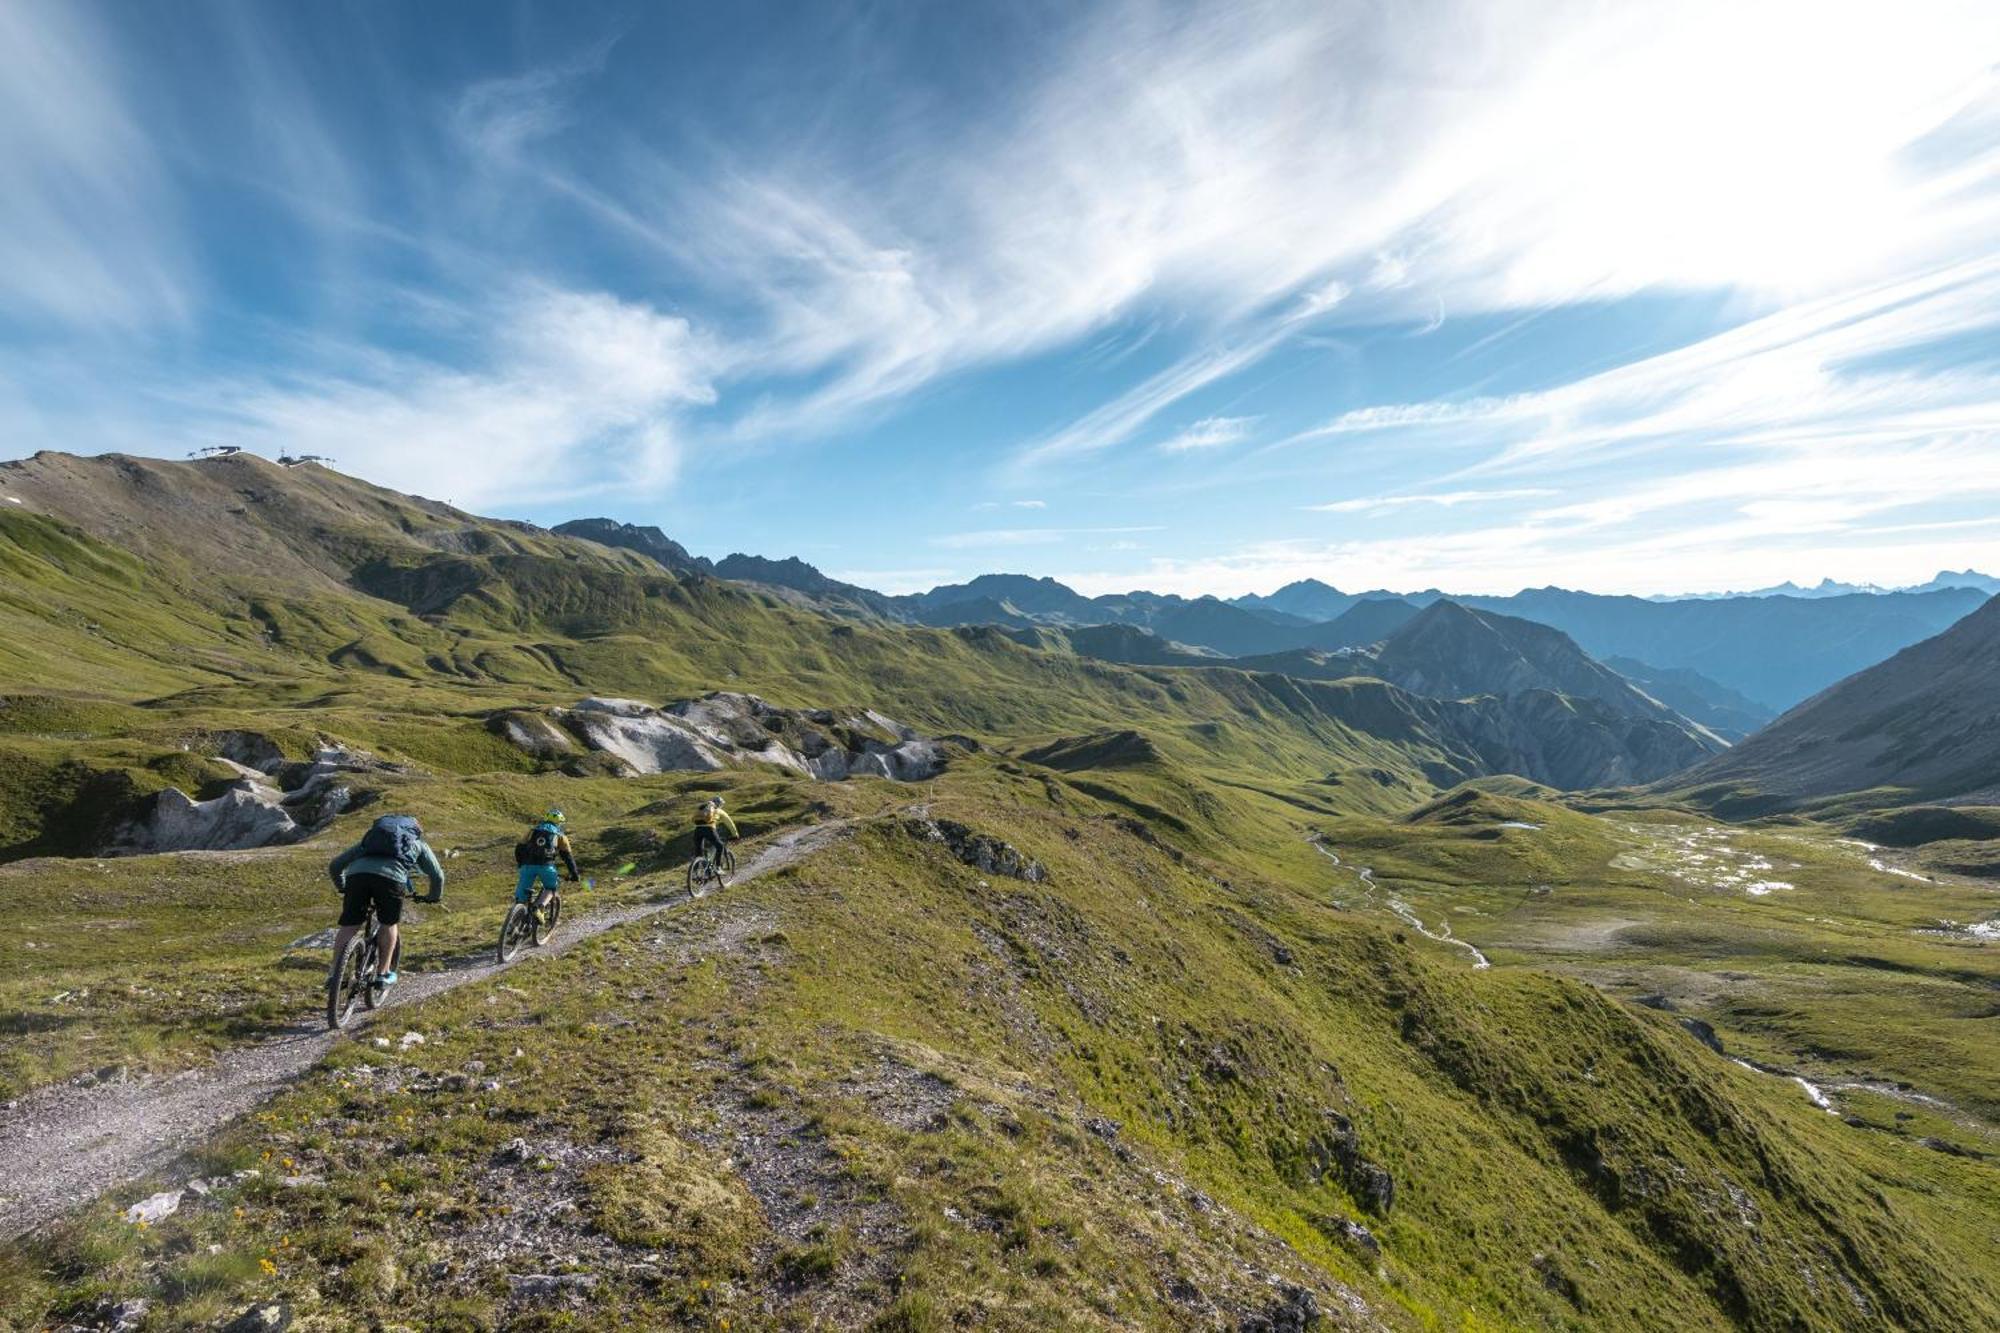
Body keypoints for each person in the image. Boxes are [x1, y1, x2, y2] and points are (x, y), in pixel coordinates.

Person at [328, 813, 444, 990]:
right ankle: (383, 974)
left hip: (357, 878)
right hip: (391, 880)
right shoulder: (417, 844)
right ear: (415, 831)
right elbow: (437, 876)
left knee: (349, 925)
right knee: (388, 923)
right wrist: (433, 897)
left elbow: (335, 866)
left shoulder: (369, 843)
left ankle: (334, 974)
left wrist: (343, 887)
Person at [516, 807, 581, 906]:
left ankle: (516, 913)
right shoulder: (560, 835)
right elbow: (568, 857)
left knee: (521, 895)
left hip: (527, 865)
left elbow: (519, 848)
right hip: (546, 866)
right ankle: (539, 908)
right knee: (551, 888)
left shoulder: (532, 831)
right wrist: (574, 874)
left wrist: (521, 863)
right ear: (559, 823)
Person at [693, 795, 737, 864]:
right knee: (720, 846)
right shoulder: (719, 811)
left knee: (699, 853)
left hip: (697, 829)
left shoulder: (703, 807)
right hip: (709, 829)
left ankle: (695, 871)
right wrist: (735, 835)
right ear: (720, 804)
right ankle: (718, 867)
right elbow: (729, 823)